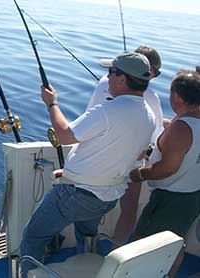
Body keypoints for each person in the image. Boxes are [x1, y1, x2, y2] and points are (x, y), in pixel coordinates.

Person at [20, 52, 155, 276]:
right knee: (87, 236)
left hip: (76, 195)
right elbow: (132, 153)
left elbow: (64, 136)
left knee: (33, 237)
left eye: (111, 72)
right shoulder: (148, 115)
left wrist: (52, 103)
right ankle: (87, 268)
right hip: (109, 196)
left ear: (122, 79)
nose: (107, 77)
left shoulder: (107, 110)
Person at [87, 46, 169, 244]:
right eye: (153, 73)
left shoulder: (103, 83)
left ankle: (87, 245)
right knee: (129, 208)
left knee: (91, 205)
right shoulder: (150, 97)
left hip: (98, 158)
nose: (154, 77)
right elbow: (156, 135)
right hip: (130, 161)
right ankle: (117, 248)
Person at [130, 69, 200, 277]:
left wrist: (140, 174)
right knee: (176, 240)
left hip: (171, 198)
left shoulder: (181, 129)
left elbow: (168, 168)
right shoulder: (187, 122)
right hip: (193, 194)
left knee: (145, 244)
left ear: (177, 97)